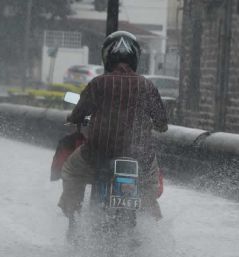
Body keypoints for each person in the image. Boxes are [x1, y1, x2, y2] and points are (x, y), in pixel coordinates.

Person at [58, 30, 168, 221]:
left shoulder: (98, 84)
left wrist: (74, 117)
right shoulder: (147, 86)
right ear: (135, 57)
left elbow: (78, 114)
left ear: (107, 57)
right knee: (149, 188)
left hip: (98, 154)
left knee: (70, 171)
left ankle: (73, 217)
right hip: (141, 159)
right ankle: (150, 223)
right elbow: (162, 123)